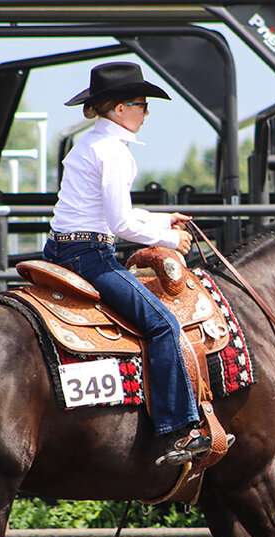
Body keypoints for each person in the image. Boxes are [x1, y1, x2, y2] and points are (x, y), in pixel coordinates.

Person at [44, 61, 230, 466]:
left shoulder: (89, 145)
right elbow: (121, 223)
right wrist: (170, 239)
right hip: (90, 256)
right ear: (117, 109)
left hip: (61, 249)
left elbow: (106, 211)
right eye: (141, 104)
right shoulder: (114, 153)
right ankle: (177, 430)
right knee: (163, 325)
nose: (146, 112)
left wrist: (162, 220)